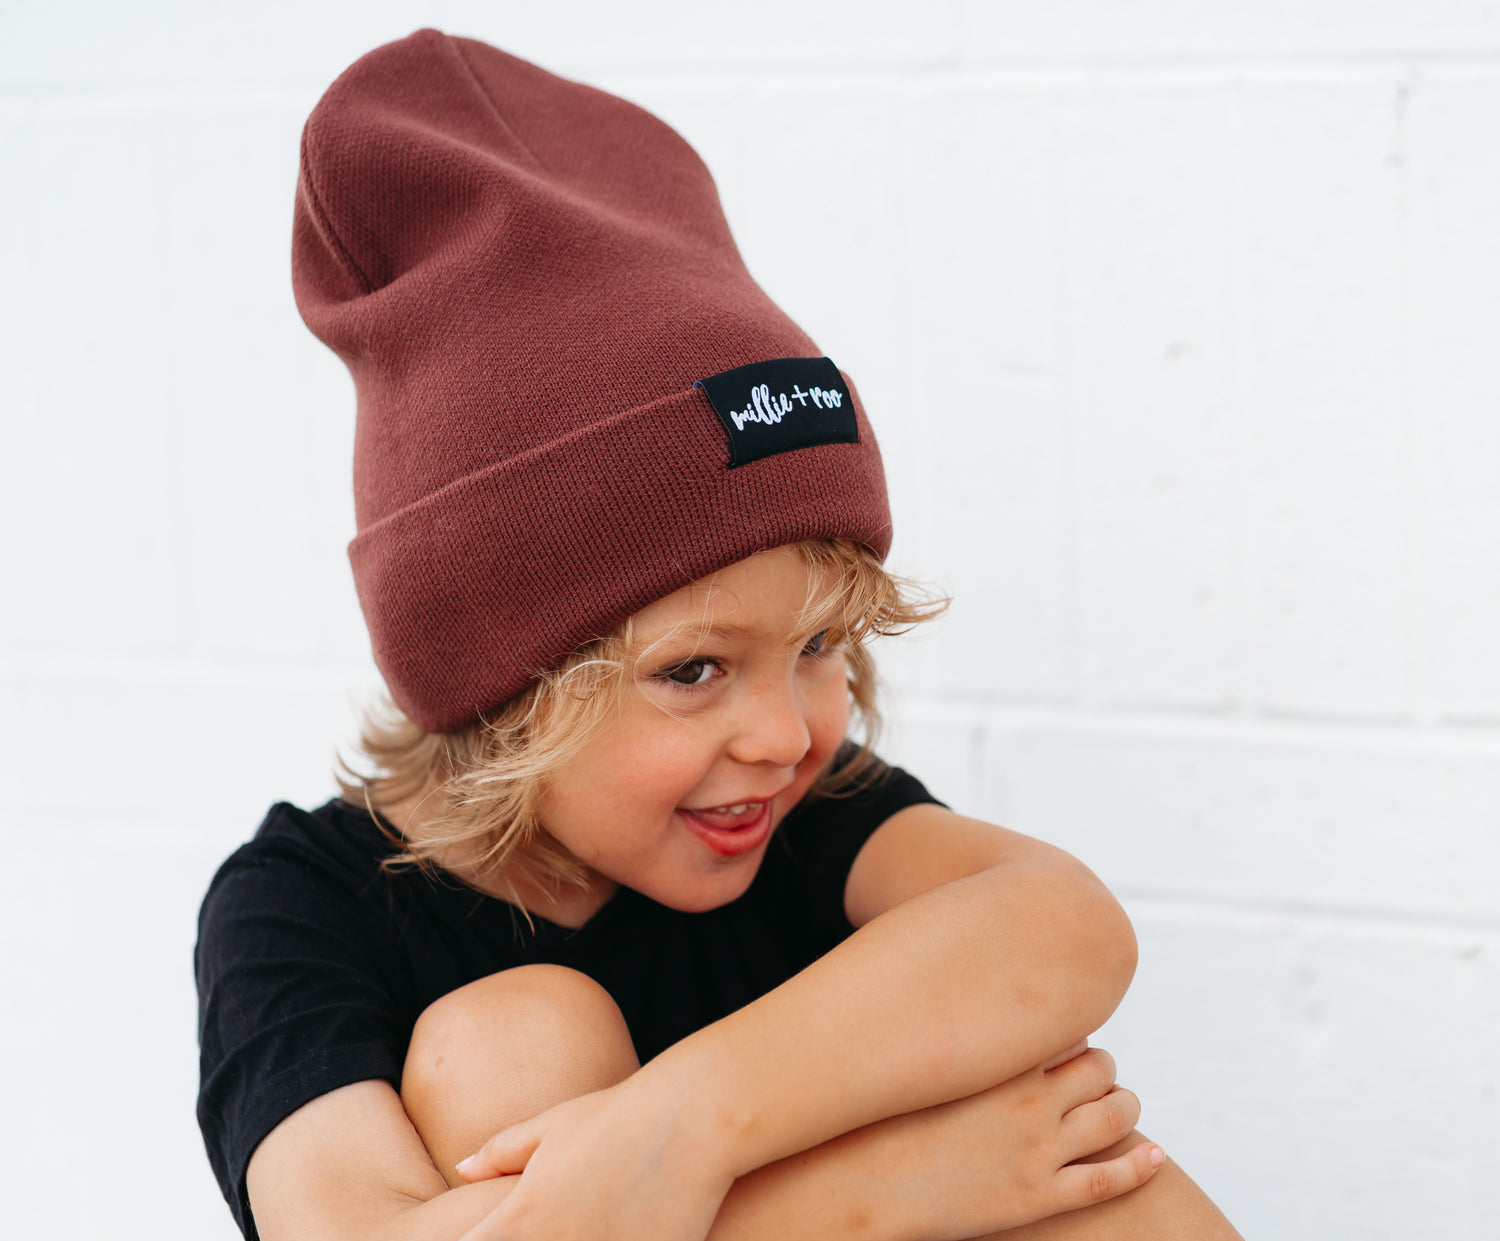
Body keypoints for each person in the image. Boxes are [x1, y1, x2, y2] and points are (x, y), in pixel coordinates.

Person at [195, 29, 1242, 1241]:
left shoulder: (804, 816)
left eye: (819, 647)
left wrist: (688, 1122)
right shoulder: (305, 905)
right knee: (514, 1032)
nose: (785, 733)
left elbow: (1064, 925)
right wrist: (869, 1191)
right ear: (500, 681)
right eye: (695, 669)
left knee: (1064, 1130)